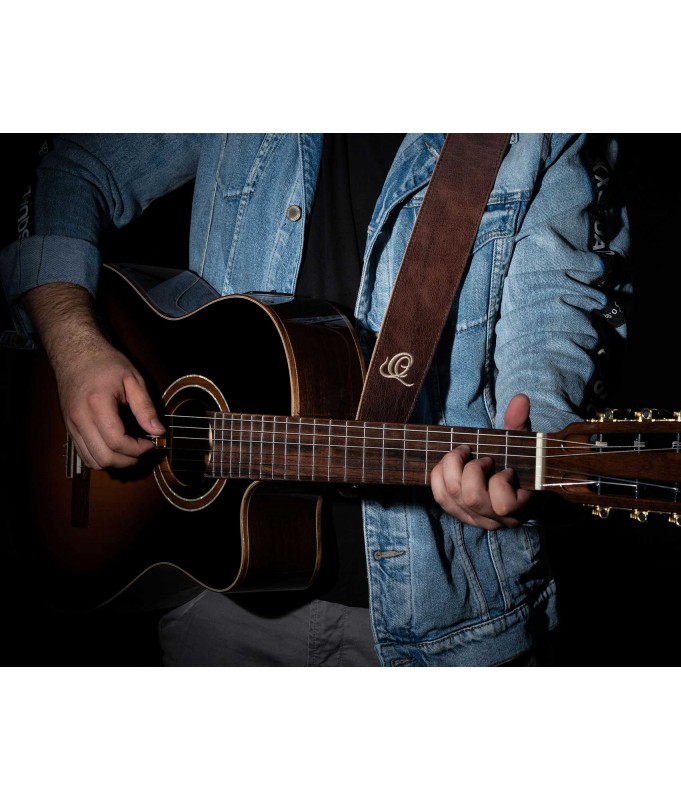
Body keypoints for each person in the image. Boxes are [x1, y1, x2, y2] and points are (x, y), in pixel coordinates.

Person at [0, 133, 631, 666]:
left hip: (447, 626)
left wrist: (529, 450)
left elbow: (559, 309)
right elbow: (73, 168)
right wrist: (74, 345)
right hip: (216, 601)